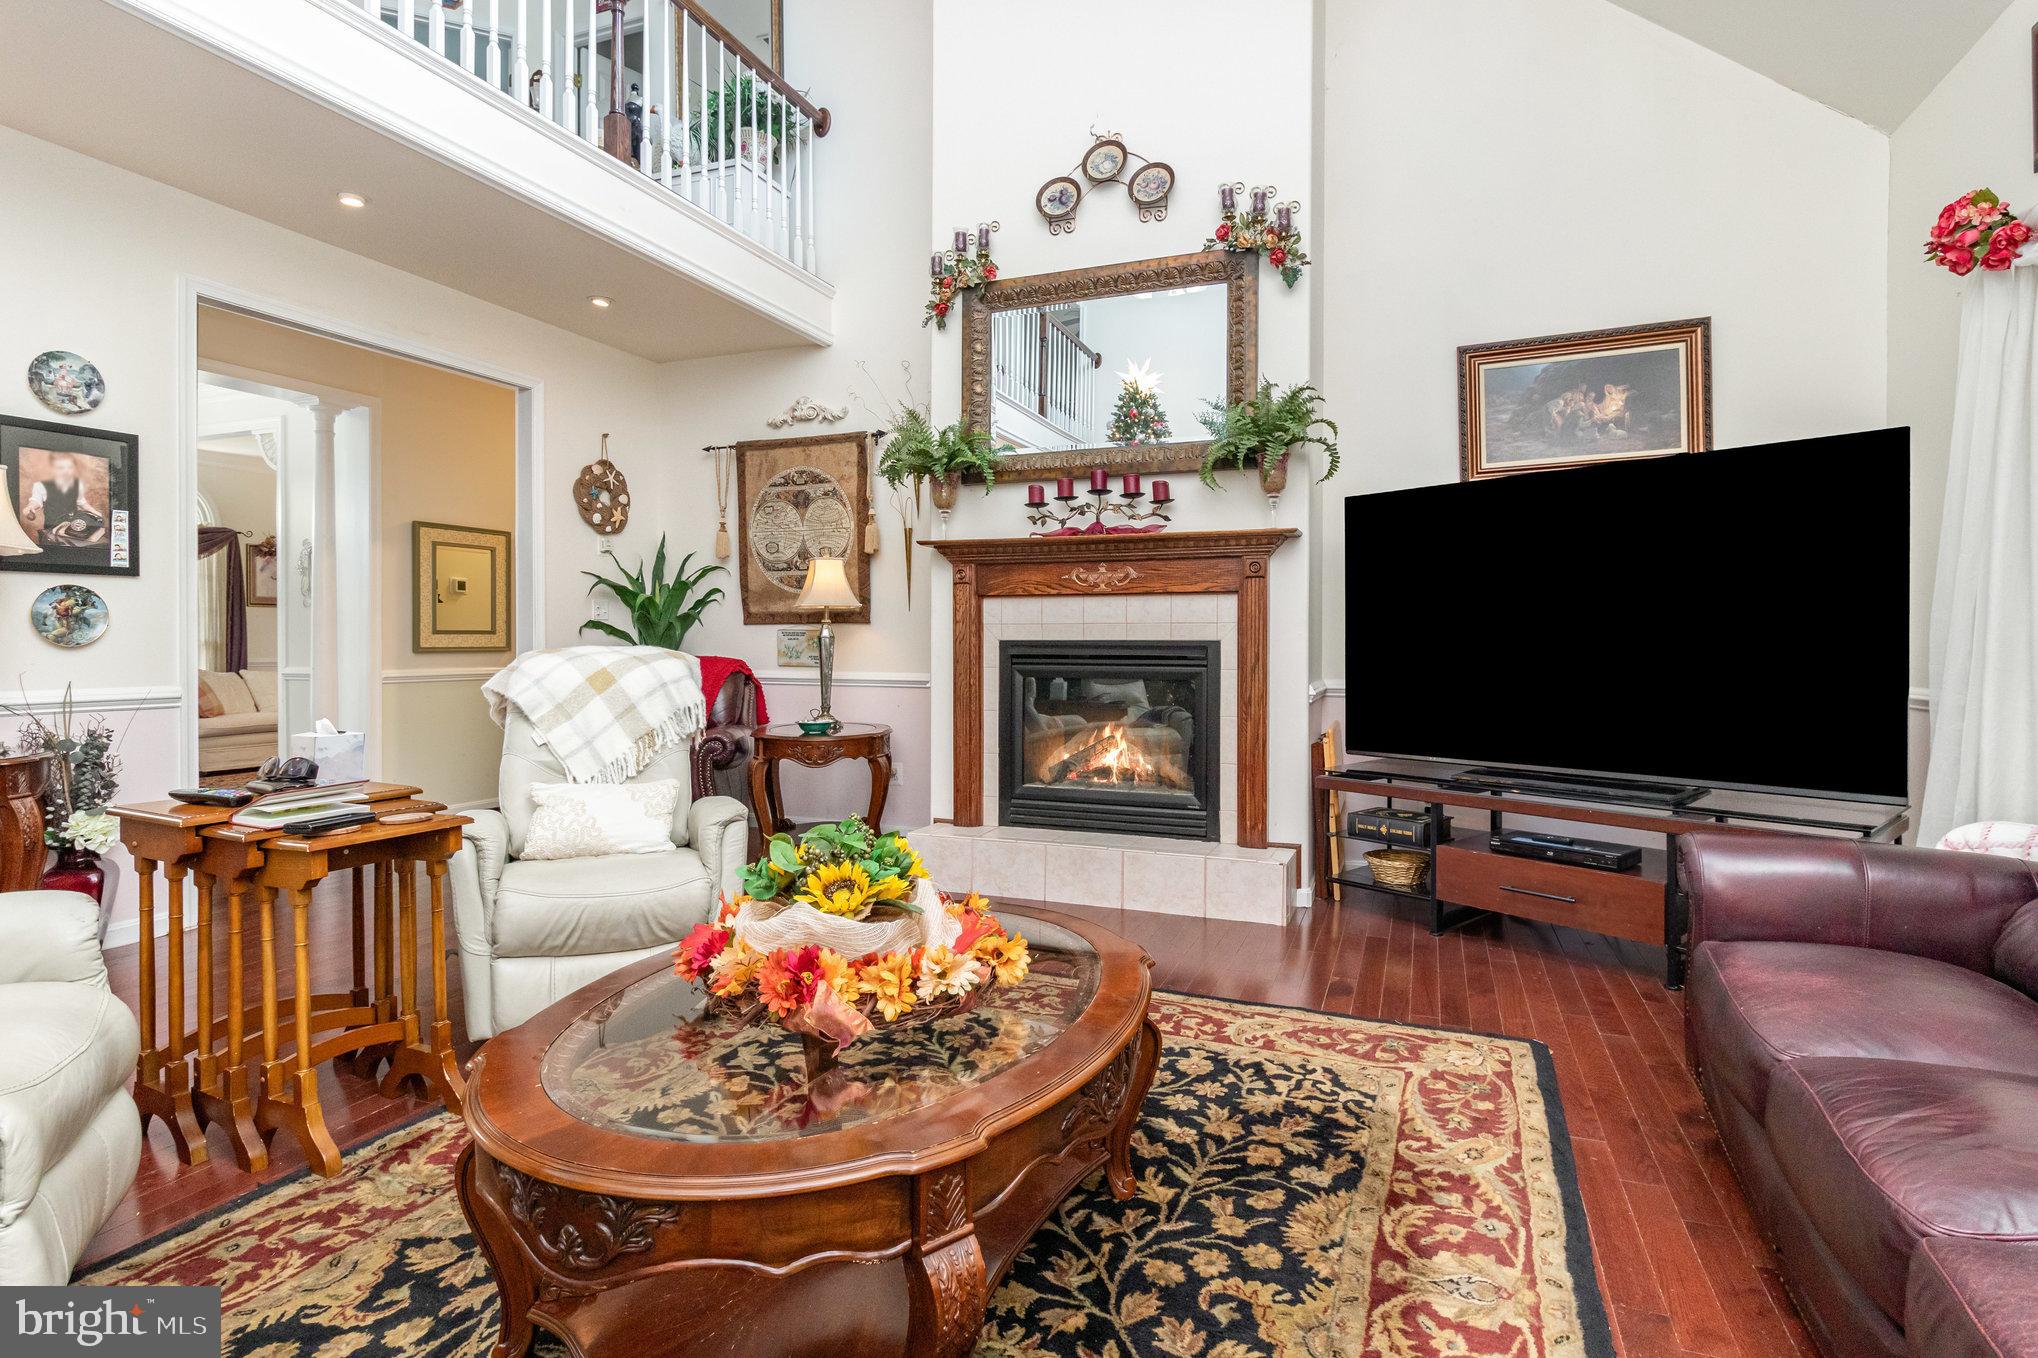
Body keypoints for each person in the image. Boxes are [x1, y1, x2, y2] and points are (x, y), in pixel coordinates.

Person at [24, 453, 105, 544]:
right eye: (61, 468)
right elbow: (36, 501)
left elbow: (82, 503)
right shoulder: (40, 485)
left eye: (69, 467)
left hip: (72, 528)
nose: (66, 471)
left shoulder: (78, 485)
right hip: (52, 530)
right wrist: (30, 507)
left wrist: (97, 514)